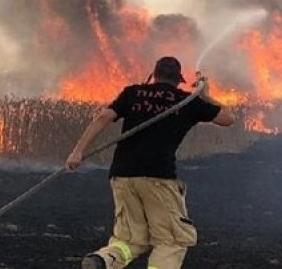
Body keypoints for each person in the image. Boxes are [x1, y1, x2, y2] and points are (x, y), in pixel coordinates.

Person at [65, 56, 234, 269]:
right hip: (158, 178)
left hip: (122, 176)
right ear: (179, 79)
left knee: (129, 240)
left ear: (154, 76)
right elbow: (228, 119)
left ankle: (103, 260)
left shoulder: (132, 93)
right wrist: (206, 95)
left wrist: (77, 152)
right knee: (172, 240)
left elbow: (102, 118)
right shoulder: (187, 101)